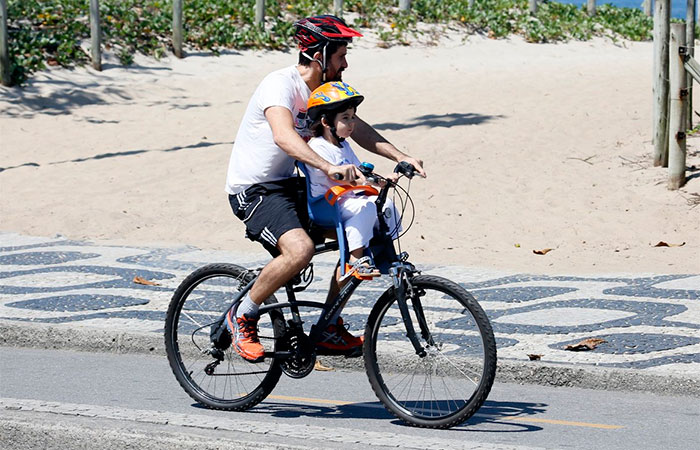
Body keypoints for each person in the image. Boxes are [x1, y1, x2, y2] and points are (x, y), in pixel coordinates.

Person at [224, 15, 426, 363]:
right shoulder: (279, 85)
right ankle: (243, 314)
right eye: (340, 56)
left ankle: (328, 326)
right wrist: (328, 166)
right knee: (300, 250)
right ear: (318, 55)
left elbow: (358, 128)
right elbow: (284, 136)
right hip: (255, 190)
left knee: (360, 238)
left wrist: (401, 155)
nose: (345, 63)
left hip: (293, 185)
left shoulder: (324, 93)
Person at [305, 81, 402, 281]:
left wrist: (381, 181)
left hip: (347, 198)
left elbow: (360, 172)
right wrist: (355, 178)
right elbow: (340, 176)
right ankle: (355, 258)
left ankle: (386, 255)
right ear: (326, 122)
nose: (352, 124)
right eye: (345, 119)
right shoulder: (318, 146)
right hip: (327, 203)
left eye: (353, 118)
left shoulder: (344, 146)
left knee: (386, 206)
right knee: (365, 208)